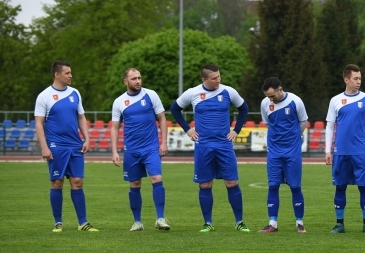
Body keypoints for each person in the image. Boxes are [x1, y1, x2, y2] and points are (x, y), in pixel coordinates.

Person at [171, 63, 250, 232]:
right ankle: (208, 223)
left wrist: (236, 130)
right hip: (204, 145)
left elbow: (244, 108)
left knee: (232, 182)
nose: (218, 80)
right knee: (205, 184)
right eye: (214, 78)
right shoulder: (193, 93)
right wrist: (188, 129)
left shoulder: (229, 91)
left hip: (224, 145)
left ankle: (239, 222)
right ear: (204, 79)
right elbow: (174, 109)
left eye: (219, 77)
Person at [34, 60, 98, 232]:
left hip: (75, 145)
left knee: (77, 181)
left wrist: (87, 138)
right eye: (67, 73)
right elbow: (39, 123)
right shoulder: (44, 96)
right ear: (57, 74)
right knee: (57, 182)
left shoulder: (75, 93)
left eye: (71, 72)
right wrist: (44, 147)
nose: (71, 76)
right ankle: (58, 222)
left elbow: (81, 117)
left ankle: (83, 223)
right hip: (56, 145)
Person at [111, 68, 170, 231]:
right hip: (131, 150)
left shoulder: (151, 95)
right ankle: (137, 222)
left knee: (157, 178)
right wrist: (114, 151)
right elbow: (115, 127)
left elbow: (162, 118)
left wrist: (163, 142)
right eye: (134, 78)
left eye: (139, 78)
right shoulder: (119, 102)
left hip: (151, 148)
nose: (138, 81)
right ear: (126, 82)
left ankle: (160, 218)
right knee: (134, 184)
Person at [325, 64, 365, 234]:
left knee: (364, 187)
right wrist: (328, 149)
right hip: (340, 152)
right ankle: (339, 224)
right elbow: (330, 125)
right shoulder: (335, 100)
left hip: (360, 152)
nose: (359, 82)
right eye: (355, 79)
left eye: (360, 78)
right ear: (346, 79)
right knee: (340, 187)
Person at [258, 77, 309, 234]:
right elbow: (267, 123)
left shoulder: (296, 101)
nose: (270, 99)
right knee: (273, 186)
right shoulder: (265, 104)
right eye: (268, 96)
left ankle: (299, 223)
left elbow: (303, 122)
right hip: (274, 152)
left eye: (272, 96)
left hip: (292, 152)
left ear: (280, 89)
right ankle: (272, 223)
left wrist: (293, 137)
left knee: (295, 187)